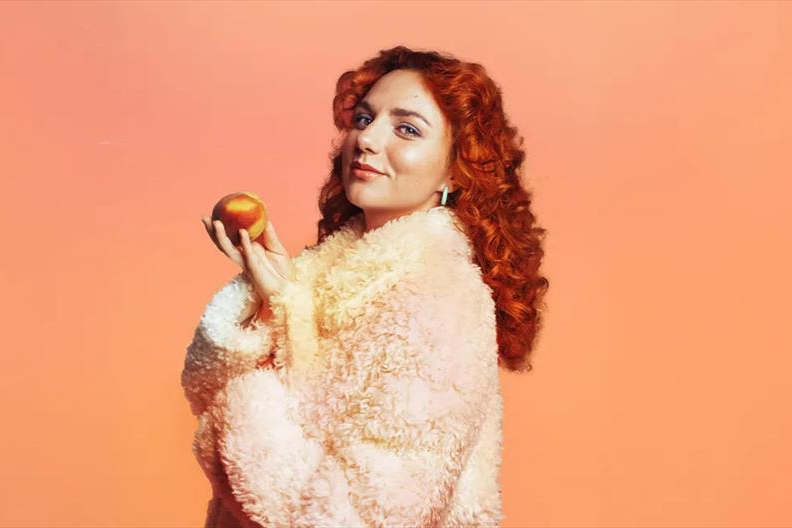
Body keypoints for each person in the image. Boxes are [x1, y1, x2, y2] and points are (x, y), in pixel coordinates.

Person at [182, 46, 549, 528]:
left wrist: (238, 408)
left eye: (407, 129)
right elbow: (200, 386)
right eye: (363, 118)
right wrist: (274, 303)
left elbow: (370, 514)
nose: (368, 139)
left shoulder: (438, 298)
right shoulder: (328, 275)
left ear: (458, 170)